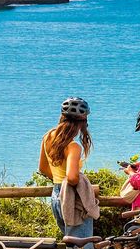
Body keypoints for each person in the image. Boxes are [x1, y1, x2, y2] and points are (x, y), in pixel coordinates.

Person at [38, 97, 99, 239]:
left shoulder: (48, 137)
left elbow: (42, 168)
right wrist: (79, 185)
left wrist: (59, 182)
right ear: (82, 122)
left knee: (71, 246)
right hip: (72, 199)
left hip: (56, 196)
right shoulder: (73, 147)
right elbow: (72, 177)